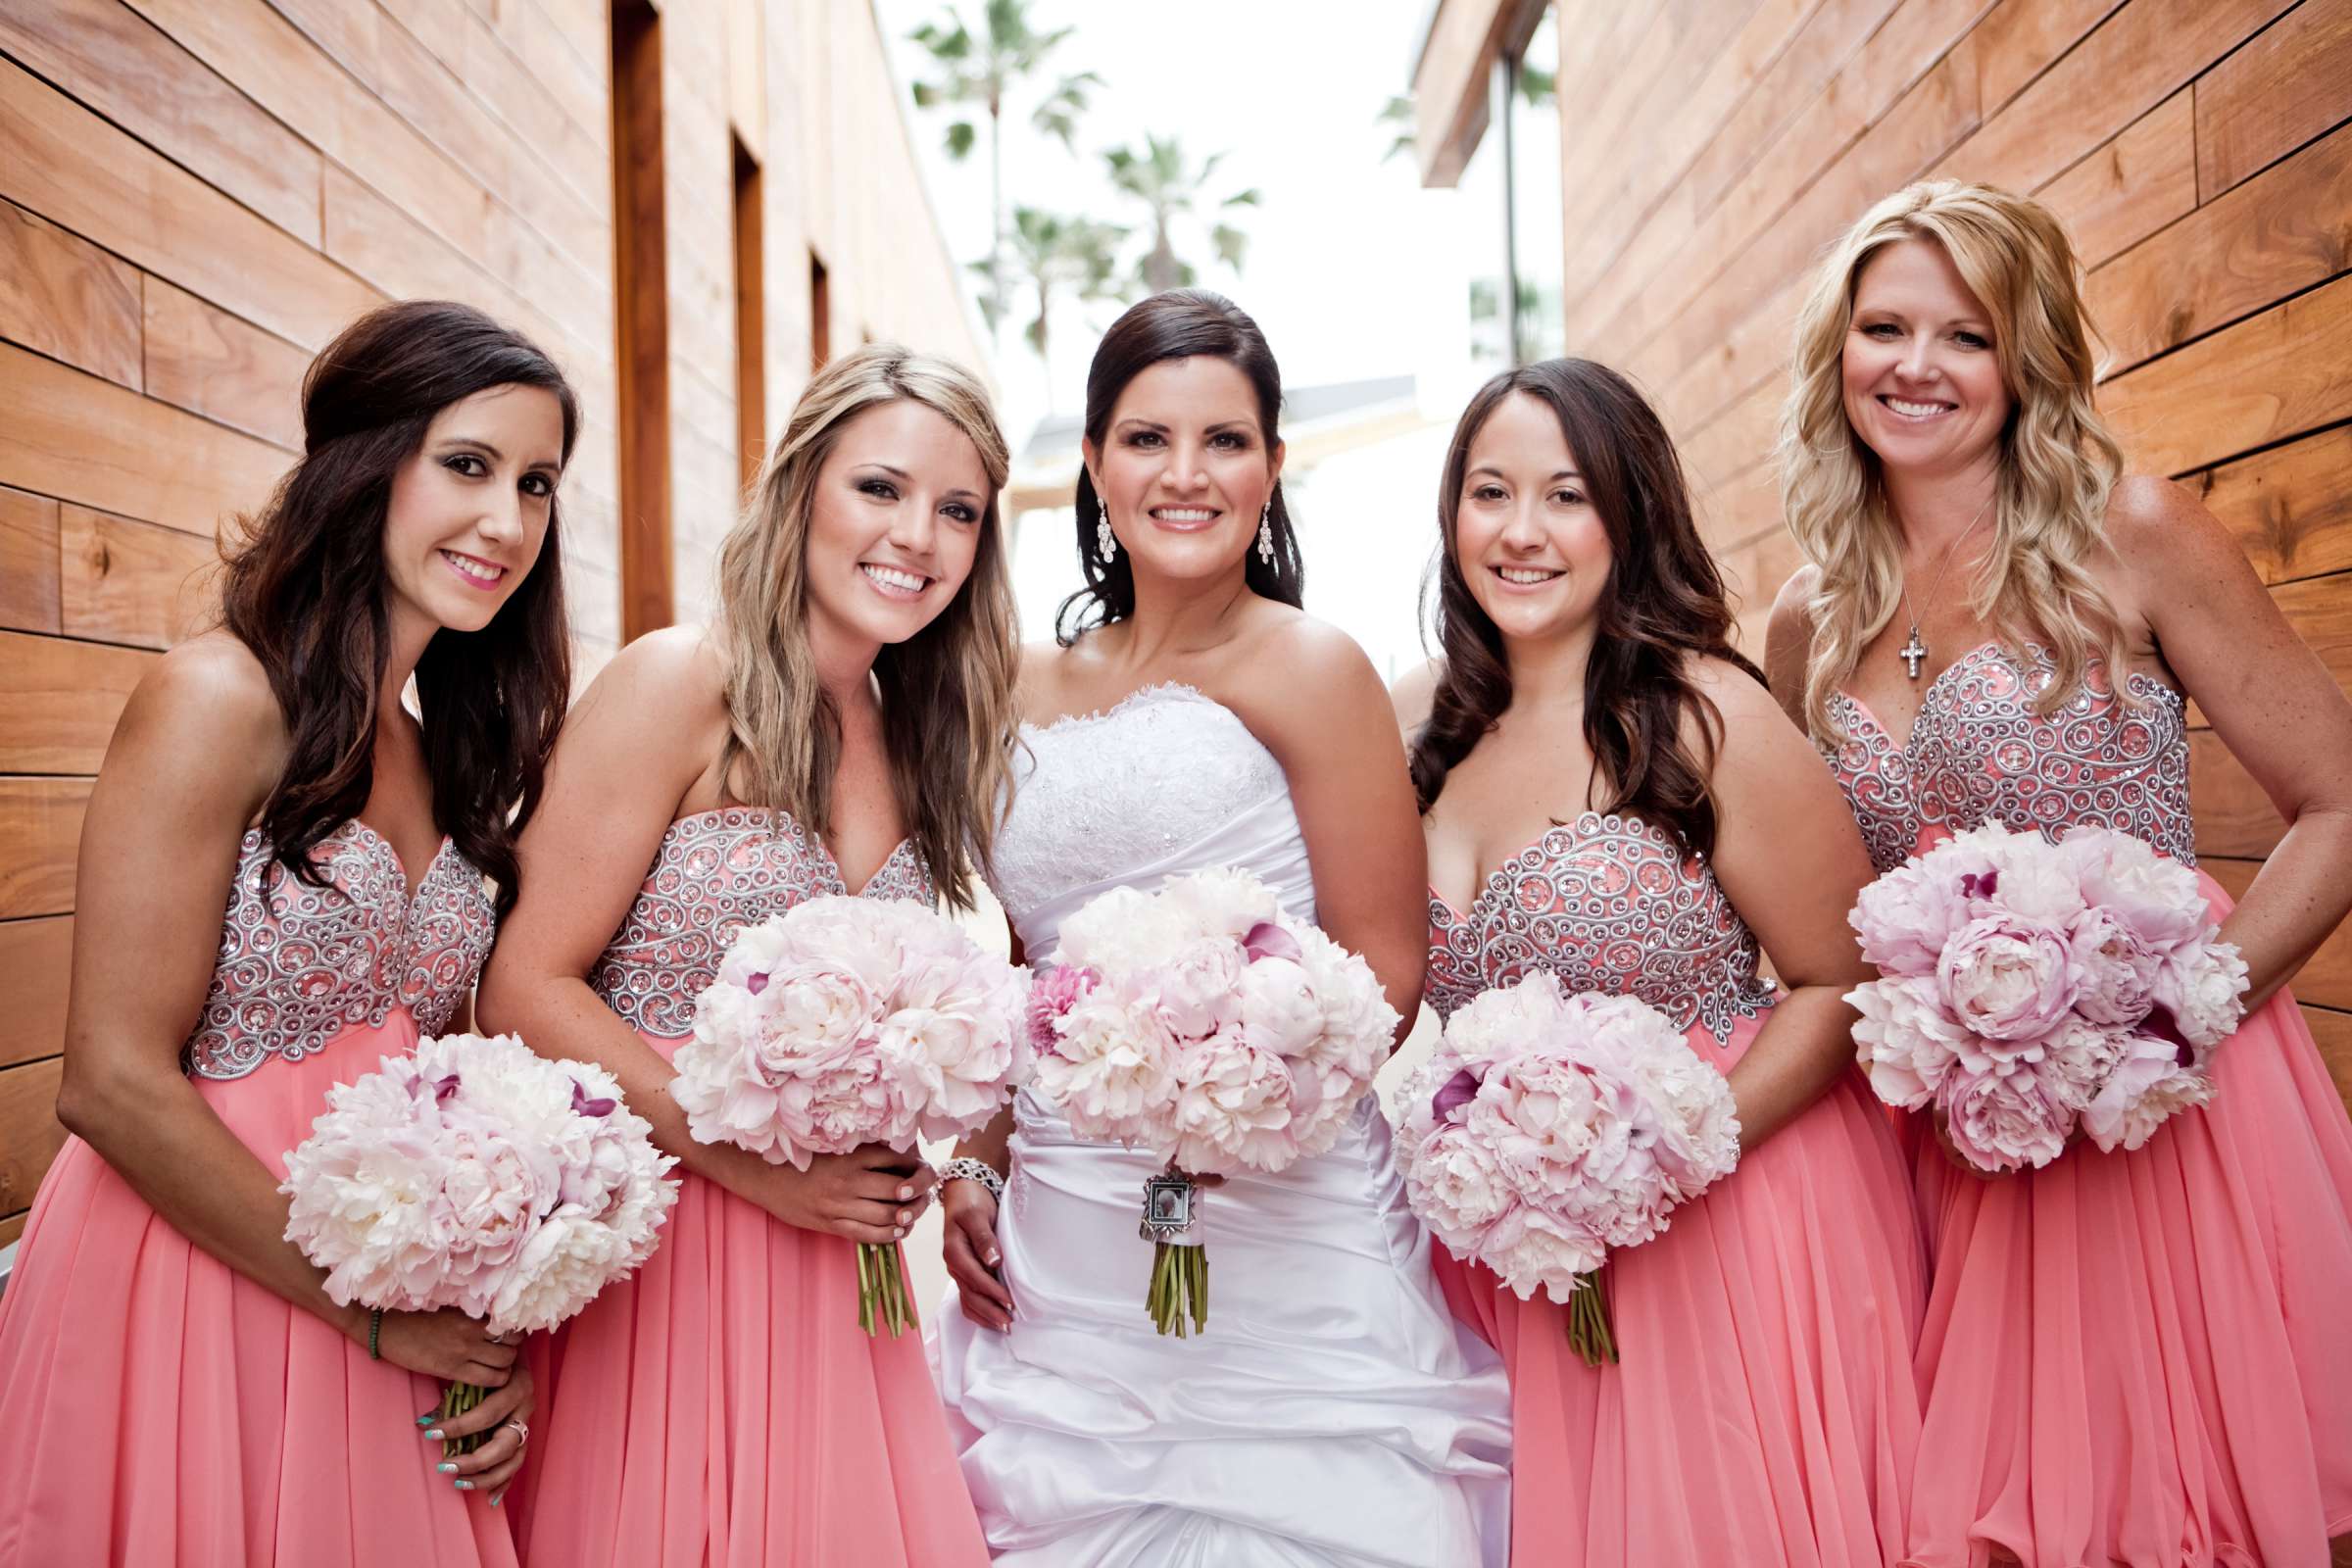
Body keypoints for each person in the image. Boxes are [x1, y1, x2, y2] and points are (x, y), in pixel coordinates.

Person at [1768, 178, 2352, 1567]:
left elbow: (2338, 804)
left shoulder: (2132, 532)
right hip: (1940, 1146)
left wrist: (2167, 1019)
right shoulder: (1808, 612)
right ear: (1836, 351)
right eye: (1885, 328)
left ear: (2028, 358)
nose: (1916, 367)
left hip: (2159, 1114)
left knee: (2175, 1506)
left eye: (1966, 335)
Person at [931, 289, 1511, 1568]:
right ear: (1091, 463)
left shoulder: (1311, 666)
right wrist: (975, 1158)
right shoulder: (1012, 685)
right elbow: (1029, 965)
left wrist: (1225, 1090)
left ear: (1271, 465)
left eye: (1224, 441)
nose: (1184, 475)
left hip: (1280, 1225)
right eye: (1146, 439)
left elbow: (1385, 969)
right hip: (1062, 1244)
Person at [0, 299, 576, 1566]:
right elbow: (107, 1079)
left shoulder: (437, 754)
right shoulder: (216, 696)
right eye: (468, 466)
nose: (507, 521)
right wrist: (371, 1316)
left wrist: (495, 1320)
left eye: (536, 484)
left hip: (386, 1301)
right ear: (364, 463)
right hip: (198, 1279)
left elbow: (451, 1089)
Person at [478, 344, 1011, 1567]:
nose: (916, 535)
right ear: (802, 488)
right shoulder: (682, 679)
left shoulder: (920, 730)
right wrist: (754, 1167)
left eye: (958, 509)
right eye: (880, 488)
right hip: (672, 1244)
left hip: (841, 1275)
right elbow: (524, 980)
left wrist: (949, 1149)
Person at [1396, 358, 1926, 1564]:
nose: (1521, 532)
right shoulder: (1421, 725)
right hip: (1519, 1255)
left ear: (1629, 515)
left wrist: (1667, 1155)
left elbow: (1842, 978)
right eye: (1490, 493)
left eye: (1567, 496)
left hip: (1728, 1228)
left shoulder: (1705, 713)